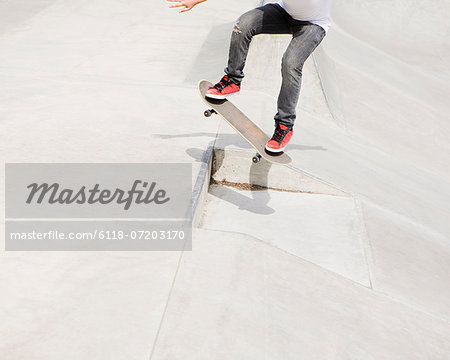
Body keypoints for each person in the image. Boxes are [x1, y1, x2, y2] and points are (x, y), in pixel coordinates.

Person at [168, 0, 331, 153]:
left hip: (313, 25)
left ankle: (284, 125)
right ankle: (232, 80)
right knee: (243, 24)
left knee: (291, 63)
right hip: (283, 13)